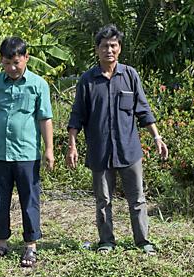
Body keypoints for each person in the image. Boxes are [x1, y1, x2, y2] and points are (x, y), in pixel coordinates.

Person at [66, 24, 168, 256]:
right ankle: (106, 241)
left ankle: (142, 241)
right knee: (103, 200)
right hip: (100, 151)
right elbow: (77, 115)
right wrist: (72, 145)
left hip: (129, 150)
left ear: (119, 48)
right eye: (104, 46)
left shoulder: (130, 75)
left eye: (113, 46)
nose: (109, 50)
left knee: (138, 199)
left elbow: (143, 110)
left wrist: (157, 137)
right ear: (97, 50)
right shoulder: (88, 80)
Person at [0, 37, 55, 269]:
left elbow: (44, 118)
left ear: (26, 58)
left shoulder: (38, 85)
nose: (12, 68)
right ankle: (1, 243)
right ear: (1, 61)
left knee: (30, 199)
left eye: (16, 62)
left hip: (27, 153)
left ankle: (30, 245)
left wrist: (48, 149)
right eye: (7, 63)